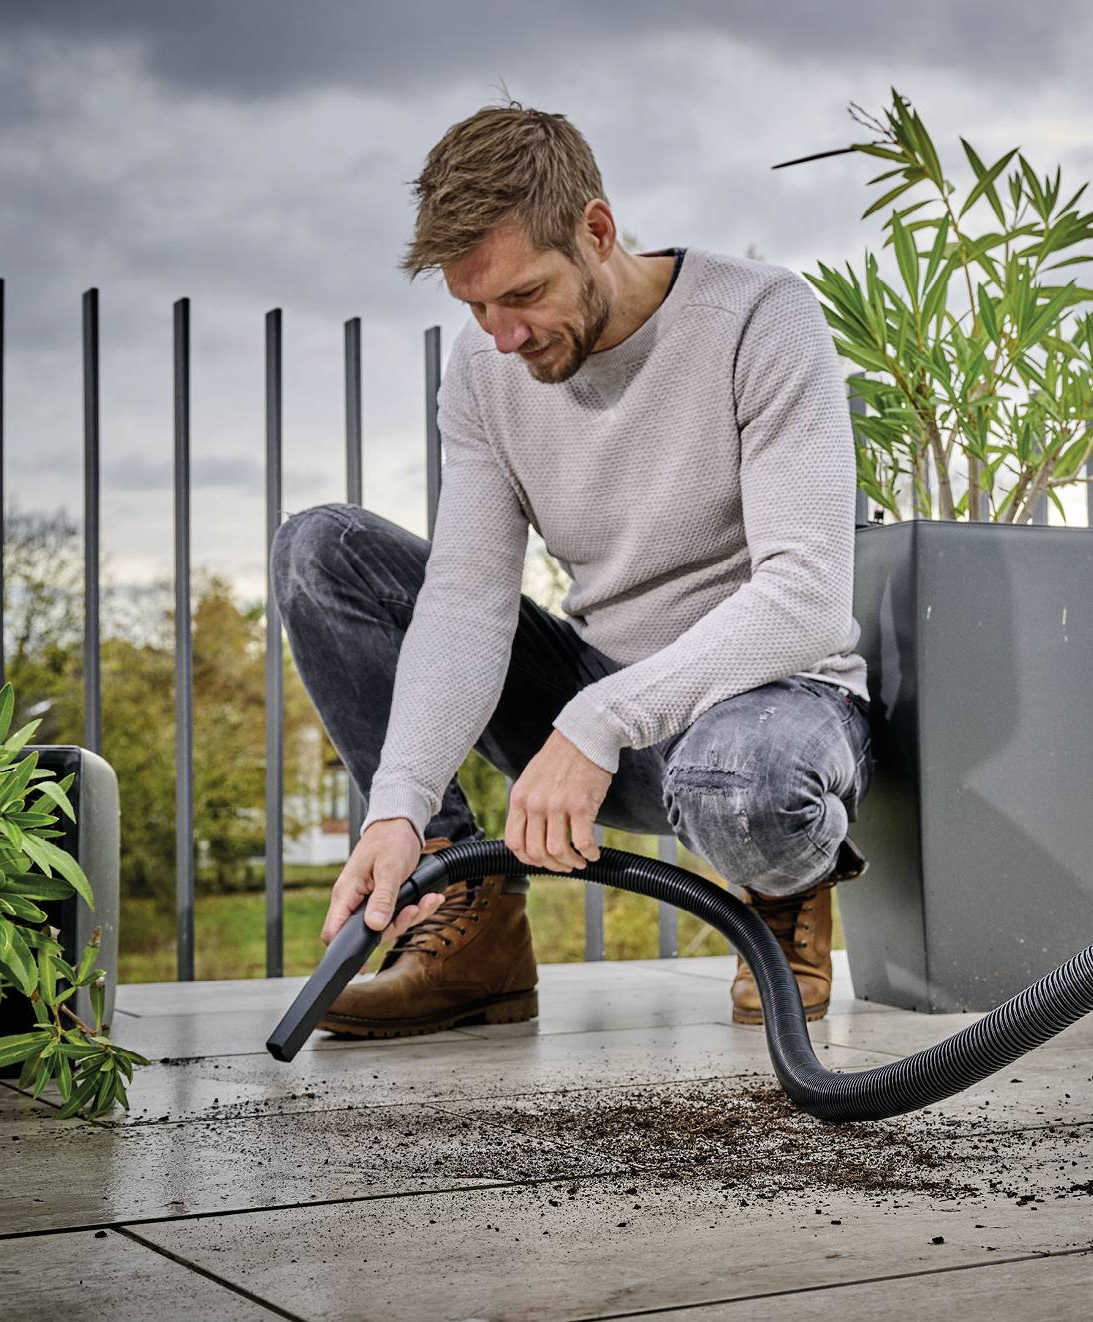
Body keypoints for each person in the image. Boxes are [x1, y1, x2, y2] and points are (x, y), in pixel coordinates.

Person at [269, 101, 873, 1037]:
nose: (501, 334)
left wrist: (598, 720)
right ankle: (468, 924)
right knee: (322, 551)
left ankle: (785, 888)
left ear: (597, 230)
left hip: (768, 714)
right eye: (474, 307)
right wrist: (399, 805)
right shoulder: (484, 372)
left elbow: (805, 596)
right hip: (606, 717)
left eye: (521, 295)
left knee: (747, 781)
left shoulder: (760, 315)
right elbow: (465, 605)